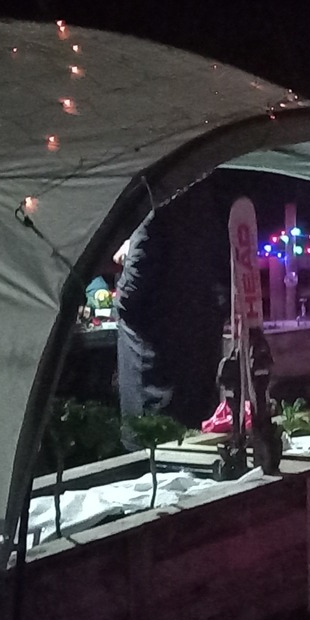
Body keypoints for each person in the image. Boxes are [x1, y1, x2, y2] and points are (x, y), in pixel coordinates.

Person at [114, 175, 238, 444]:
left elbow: (132, 290)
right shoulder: (205, 202)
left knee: (151, 442)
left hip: (155, 364)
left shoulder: (153, 206)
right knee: (190, 442)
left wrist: (119, 292)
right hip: (198, 352)